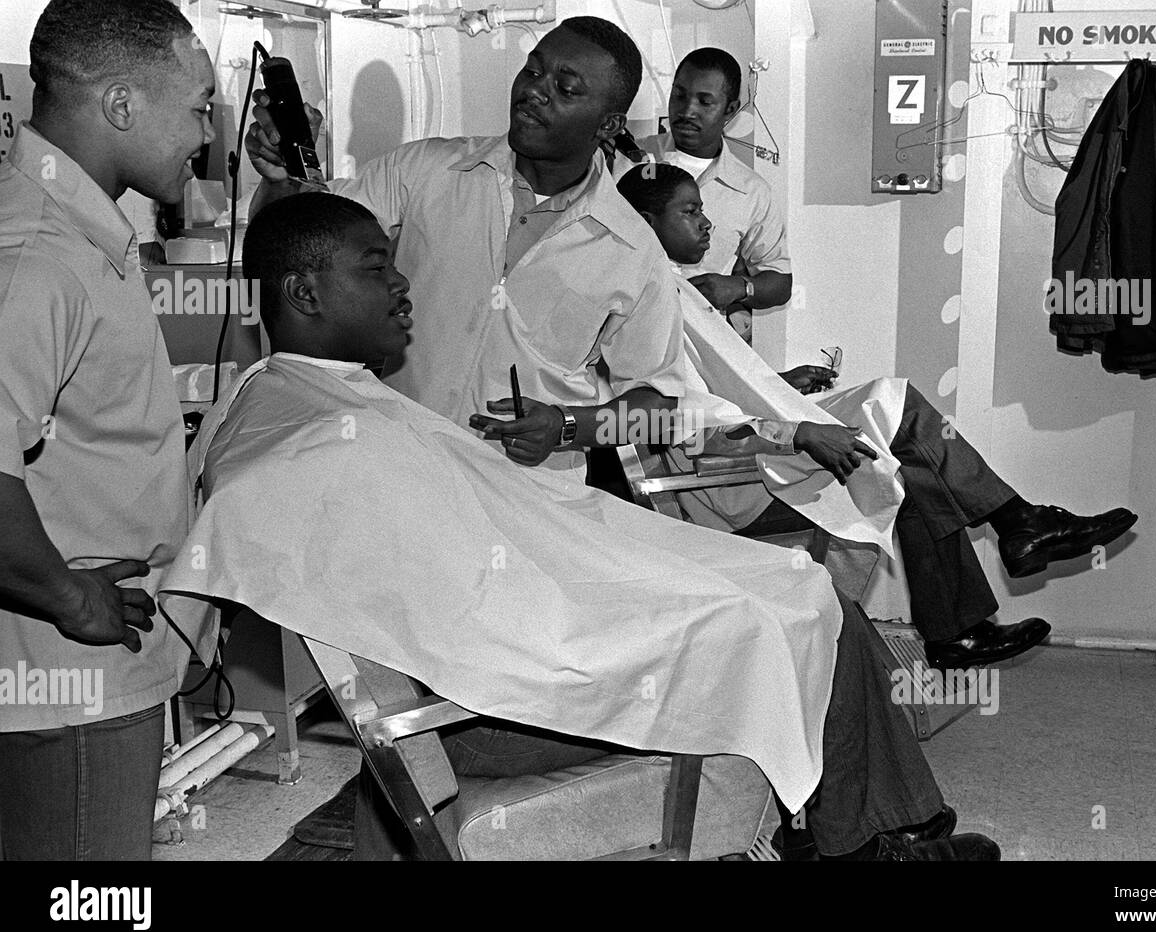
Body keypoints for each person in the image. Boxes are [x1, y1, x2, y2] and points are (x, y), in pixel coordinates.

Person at [174, 190, 1001, 861]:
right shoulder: (319, 435)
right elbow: (266, 519)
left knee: (790, 592)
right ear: (306, 293)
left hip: (495, 671)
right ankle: (880, 845)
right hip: (500, 708)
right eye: (376, 267)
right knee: (790, 606)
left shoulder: (297, 404)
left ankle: (883, 838)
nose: (402, 285)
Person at [616, 163, 1139, 671]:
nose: (707, 222)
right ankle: (1007, 544)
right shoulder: (651, 301)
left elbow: (718, 389)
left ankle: (976, 602)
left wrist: (781, 387)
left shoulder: (671, 286)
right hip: (730, 480)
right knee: (901, 416)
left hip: (760, 449)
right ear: (644, 222)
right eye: (690, 211)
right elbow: (691, 422)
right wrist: (796, 426)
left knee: (909, 456)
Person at [245, 17, 684, 484]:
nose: (536, 91)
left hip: (527, 494)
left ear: (609, 124)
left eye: (566, 88)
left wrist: (565, 426)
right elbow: (299, 244)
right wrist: (280, 180)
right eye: (533, 71)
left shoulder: (632, 249)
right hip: (395, 468)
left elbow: (660, 411)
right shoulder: (424, 172)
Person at [0, 0, 215, 860]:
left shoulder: (85, 235)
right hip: (62, 680)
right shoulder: (38, 255)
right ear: (122, 104)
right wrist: (66, 594)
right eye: (199, 107)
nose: (205, 133)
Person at [615, 47, 790, 346]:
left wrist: (738, 288)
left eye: (704, 102)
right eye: (679, 95)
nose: (686, 111)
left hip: (700, 345)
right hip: (625, 334)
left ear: (731, 110)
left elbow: (780, 282)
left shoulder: (751, 191)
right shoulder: (630, 162)